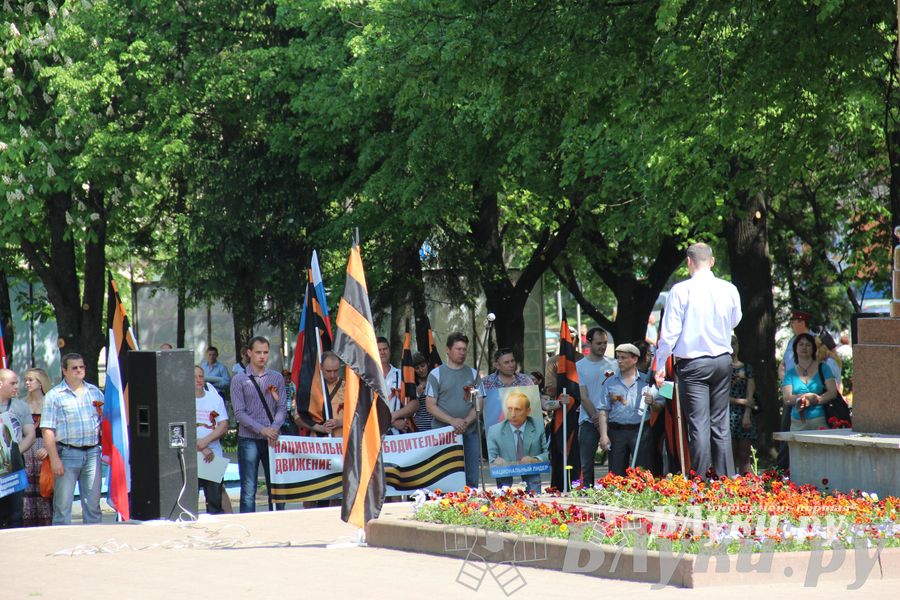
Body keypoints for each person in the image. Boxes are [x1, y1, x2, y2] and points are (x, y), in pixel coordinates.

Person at [655, 242, 742, 478]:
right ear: (712, 261)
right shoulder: (729, 289)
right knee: (720, 423)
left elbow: (669, 333)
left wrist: (660, 364)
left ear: (689, 263)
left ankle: (700, 479)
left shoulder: (680, 291)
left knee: (698, 423)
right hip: (722, 360)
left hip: (693, 364)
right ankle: (726, 479)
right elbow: (735, 321)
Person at [41, 354, 104, 525]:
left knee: (93, 506)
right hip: (67, 453)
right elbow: (47, 429)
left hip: (92, 453)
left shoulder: (95, 392)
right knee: (62, 507)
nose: (78, 370)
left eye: (81, 367)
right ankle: (62, 544)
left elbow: (105, 423)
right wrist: (54, 459)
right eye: (74, 367)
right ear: (64, 370)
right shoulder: (54, 395)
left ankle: (94, 545)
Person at [230, 336, 285, 513]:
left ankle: (278, 521)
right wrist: (263, 430)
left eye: (265, 352)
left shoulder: (276, 377)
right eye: (258, 352)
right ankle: (248, 526)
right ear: (249, 353)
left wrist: (274, 429)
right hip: (249, 440)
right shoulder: (239, 379)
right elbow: (239, 413)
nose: (262, 356)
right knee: (248, 489)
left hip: (272, 439)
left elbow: (282, 407)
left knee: (276, 487)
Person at [426, 332, 481, 487]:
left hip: (469, 432)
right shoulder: (436, 375)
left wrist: (465, 421)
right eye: (458, 349)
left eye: (464, 349)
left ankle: (471, 507)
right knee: (445, 476)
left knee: (471, 477)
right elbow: (430, 405)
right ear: (448, 350)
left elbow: (478, 403)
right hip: (443, 434)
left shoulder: (473, 374)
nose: (462, 353)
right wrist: (452, 421)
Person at [598, 344, 663, 475]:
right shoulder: (610, 382)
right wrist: (603, 435)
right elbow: (603, 410)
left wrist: (653, 403)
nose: (620, 361)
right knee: (616, 474)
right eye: (618, 358)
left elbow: (662, 406)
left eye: (624, 357)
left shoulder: (648, 381)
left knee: (643, 473)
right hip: (617, 432)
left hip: (640, 430)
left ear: (634, 360)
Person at [575, 327, 616, 487]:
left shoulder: (614, 365)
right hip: (587, 420)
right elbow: (583, 396)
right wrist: (597, 418)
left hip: (612, 419)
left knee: (615, 462)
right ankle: (587, 492)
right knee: (586, 464)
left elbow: (616, 393)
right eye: (599, 343)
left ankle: (615, 491)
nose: (603, 346)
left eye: (605, 343)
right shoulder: (580, 366)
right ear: (588, 342)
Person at [487, 391, 548, 493]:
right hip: (505, 469)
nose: (513, 414)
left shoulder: (539, 426)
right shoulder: (495, 430)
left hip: (531, 468)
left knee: (535, 493)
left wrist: (535, 459)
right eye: (510, 409)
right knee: (503, 494)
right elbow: (490, 456)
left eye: (518, 410)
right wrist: (494, 461)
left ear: (528, 411)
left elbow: (548, 453)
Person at [0, 369, 37, 528]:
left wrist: (13, 453)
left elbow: (30, 434)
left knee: (15, 512)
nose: (17, 386)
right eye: (12, 383)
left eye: (17, 383)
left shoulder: (21, 406)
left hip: (14, 463)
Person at [782, 333, 837, 431]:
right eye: (801, 344)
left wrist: (815, 399)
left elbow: (832, 392)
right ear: (795, 348)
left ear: (813, 349)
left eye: (808, 345)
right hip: (797, 422)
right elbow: (787, 399)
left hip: (820, 419)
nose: (804, 347)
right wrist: (803, 398)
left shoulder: (824, 368)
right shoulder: (789, 373)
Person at [195, 366, 228, 514]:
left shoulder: (215, 398)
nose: (198, 380)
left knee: (214, 498)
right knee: (189, 498)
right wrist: (201, 447)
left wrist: (205, 441)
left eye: (201, 376)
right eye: (194, 377)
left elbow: (223, 425)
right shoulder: (182, 400)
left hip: (213, 454)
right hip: (192, 454)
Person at [22, 368, 52, 527]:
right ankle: (27, 522)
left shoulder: (50, 402)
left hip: (44, 447)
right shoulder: (21, 404)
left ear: (40, 382)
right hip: (26, 450)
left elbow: (58, 429)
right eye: (26, 379)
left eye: (30, 380)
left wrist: (48, 448)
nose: (27, 383)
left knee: (44, 486)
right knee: (27, 488)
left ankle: (46, 522)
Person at [728, 336, 757, 475]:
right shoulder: (722, 369)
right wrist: (741, 401)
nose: (732, 347)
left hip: (744, 414)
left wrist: (747, 414)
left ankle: (748, 487)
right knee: (730, 455)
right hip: (727, 414)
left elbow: (750, 394)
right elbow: (720, 396)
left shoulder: (747, 368)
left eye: (733, 343)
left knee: (745, 456)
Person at [299, 351, 344, 437]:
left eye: (336, 371)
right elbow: (298, 418)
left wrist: (339, 422)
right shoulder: (310, 388)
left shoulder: (348, 388)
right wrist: (320, 428)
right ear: (321, 367)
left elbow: (357, 416)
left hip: (341, 443)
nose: (332, 375)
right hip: (317, 444)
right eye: (328, 371)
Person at [480, 348, 534, 417]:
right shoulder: (486, 382)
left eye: (512, 361)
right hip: (494, 426)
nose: (511, 365)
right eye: (506, 362)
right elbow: (478, 408)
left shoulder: (525, 380)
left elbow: (535, 400)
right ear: (497, 366)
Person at [378, 337, 416, 434]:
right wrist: (392, 422)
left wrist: (394, 416)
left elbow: (414, 404)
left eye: (385, 349)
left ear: (390, 351)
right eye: (379, 350)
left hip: (398, 437)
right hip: (375, 435)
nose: (382, 352)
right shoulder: (369, 378)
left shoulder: (401, 375)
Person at [411, 353, 433, 431]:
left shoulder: (435, 380)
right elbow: (408, 406)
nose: (421, 370)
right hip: (420, 426)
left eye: (423, 366)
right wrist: (416, 394)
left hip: (437, 425)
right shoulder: (412, 383)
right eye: (417, 368)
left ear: (427, 364)